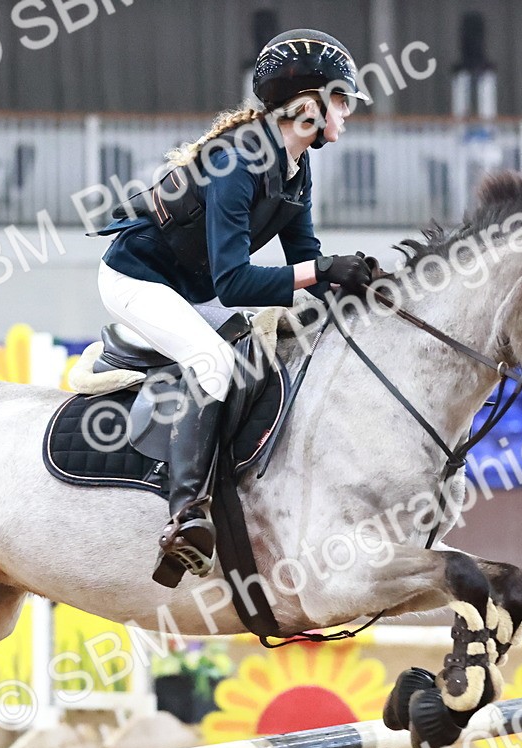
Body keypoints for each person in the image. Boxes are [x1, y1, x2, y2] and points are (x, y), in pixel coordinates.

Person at [95, 28, 374, 587]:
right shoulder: (234, 163)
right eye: (341, 100)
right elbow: (235, 283)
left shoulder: (296, 167)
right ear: (306, 106)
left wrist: (363, 293)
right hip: (137, 280)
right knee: (215, 365)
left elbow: (306, 260)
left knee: (271, 355)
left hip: (190, 290)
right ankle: (185, 518)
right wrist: (320, 273)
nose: (347, 112)